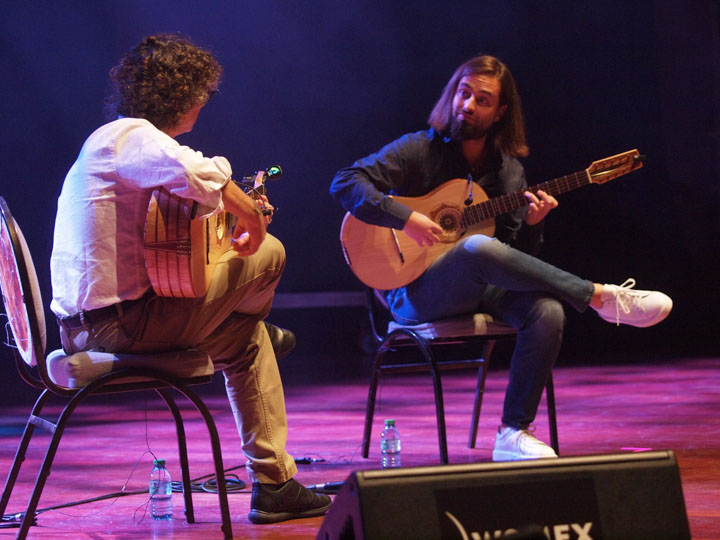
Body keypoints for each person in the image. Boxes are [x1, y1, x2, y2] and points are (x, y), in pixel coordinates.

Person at [330, 54, 673, 461]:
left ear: (500, 112)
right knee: (473, 246)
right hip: (415, 292)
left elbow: (513, 262)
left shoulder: (510, 174)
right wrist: (406, 219)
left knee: (547, 310)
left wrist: (532, 223)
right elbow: (345, 182)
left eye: (483, 99)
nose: (468, 105)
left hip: (482, 288)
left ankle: (513, 432)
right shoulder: (418, 149)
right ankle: (598, 296)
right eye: (463, 92)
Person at [50, 34, 330, 523]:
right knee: (270, 251)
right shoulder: (130, 137)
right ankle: (250, 314)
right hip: (118, 327)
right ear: (188, 98)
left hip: (100, 322)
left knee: (246, 344)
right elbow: (204, 176)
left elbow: (187, 209)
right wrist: (253, 218)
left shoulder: (111, 144)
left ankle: (275, 486)